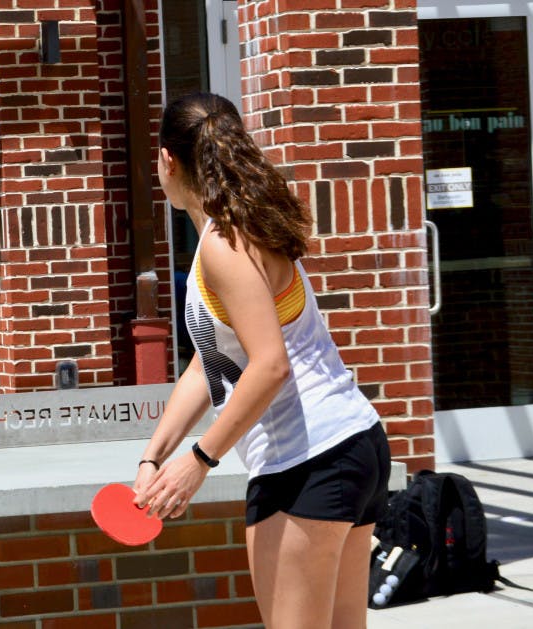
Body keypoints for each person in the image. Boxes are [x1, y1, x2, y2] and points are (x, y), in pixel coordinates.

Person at [133, 93, 391, 629]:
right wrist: (155, 455)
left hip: (308, 459)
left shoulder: (224, 245)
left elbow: (270, 365)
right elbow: (212, 363)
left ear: (167, 161)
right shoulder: (241, 226)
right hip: (351, 444)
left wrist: (199, 460)